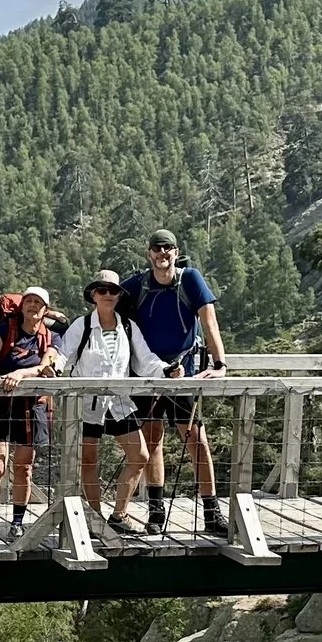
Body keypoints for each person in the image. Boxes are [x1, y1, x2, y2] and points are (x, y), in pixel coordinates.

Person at [125, 228, 229, 537]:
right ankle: (156, 513)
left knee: (195, 438)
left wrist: (219, 364)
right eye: (156, 248)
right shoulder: (137, 285)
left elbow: (209, 322)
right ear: (149, 254)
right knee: (153, 438)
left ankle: (211, 512)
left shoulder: (190, 279)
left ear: (176, 251)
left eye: (167, 248)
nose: (162, 253)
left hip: (184, 368)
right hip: (148, 371)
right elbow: (107, 304)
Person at [50, 269, 165, 534]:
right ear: (93, 295)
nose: (108, 295)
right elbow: (64, 353)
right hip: (87, 403)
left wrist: (167, 370)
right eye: (102, 290)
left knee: (140, 455)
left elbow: (145, 360)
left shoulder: (127, 326)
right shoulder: (83, 325)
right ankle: (94, 518)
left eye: (113, 290)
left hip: (119, 402)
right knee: (89, 459)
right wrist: (54, 367)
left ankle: (118, 513)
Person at [0, 285, 59, 538]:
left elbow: (46, 365)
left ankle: (17, 522)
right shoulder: (6, 329)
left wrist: (20, 374)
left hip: (32, 407)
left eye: (38, 303)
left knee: (24, 466)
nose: (33, 306)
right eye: (29, 302)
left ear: (46, 310)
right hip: (3, 402)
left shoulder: (51, 338)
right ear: (22, 306)